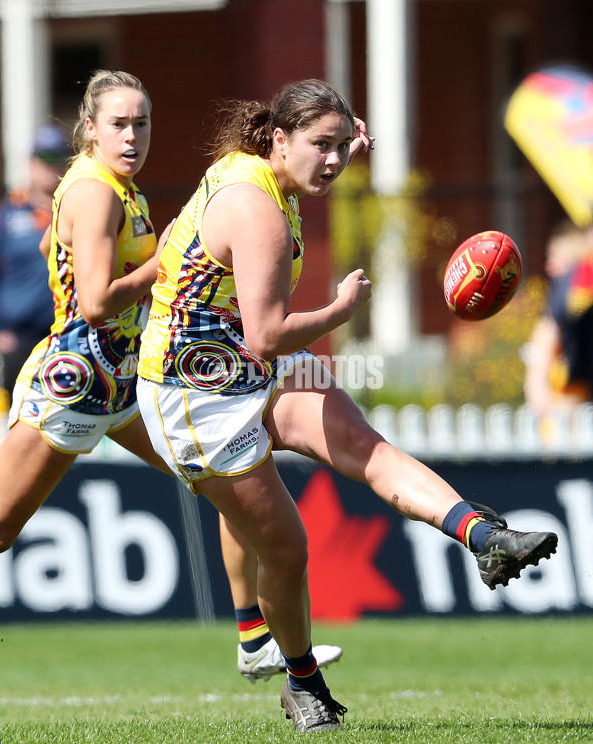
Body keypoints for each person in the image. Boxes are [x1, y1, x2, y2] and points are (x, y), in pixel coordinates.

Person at [136, 78, 559, 731]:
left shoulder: (267, 166)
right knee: (288, 551)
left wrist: (347, 141)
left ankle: (484, 536)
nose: (332, 161)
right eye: (320, 146)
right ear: (278, 138)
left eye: (341, 145)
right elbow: (267, 334)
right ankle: (301, 682)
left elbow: (257, 336)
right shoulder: (260, 214)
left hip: (241, 366)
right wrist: (340, 308)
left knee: (367, 445)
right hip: (193, 397)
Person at [0, 70, 341, 684]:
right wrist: (163, 264)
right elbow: (97, 302)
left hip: (124, 380)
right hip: (73, 383)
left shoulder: (122, 188)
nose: (133, 136)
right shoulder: (96, 192)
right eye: (119, 124)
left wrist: (346, 140)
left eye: (142, 122)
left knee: (228, 469)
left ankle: (253, 637)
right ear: (90, 128)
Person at [0, 125, 68, 418]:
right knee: (12, 418)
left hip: (63, 335)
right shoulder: (7, 216)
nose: (50, 164)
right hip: (17, 339)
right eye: (44, 156)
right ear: (30, 163)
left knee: (59, 420)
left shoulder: (74, 209)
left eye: (57, 156)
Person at [524, 219, 593, 420]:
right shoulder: (578, 280)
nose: (549, 266)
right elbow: (546, 333)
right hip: (574, 397)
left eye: (554, 257)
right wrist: (538, 387)